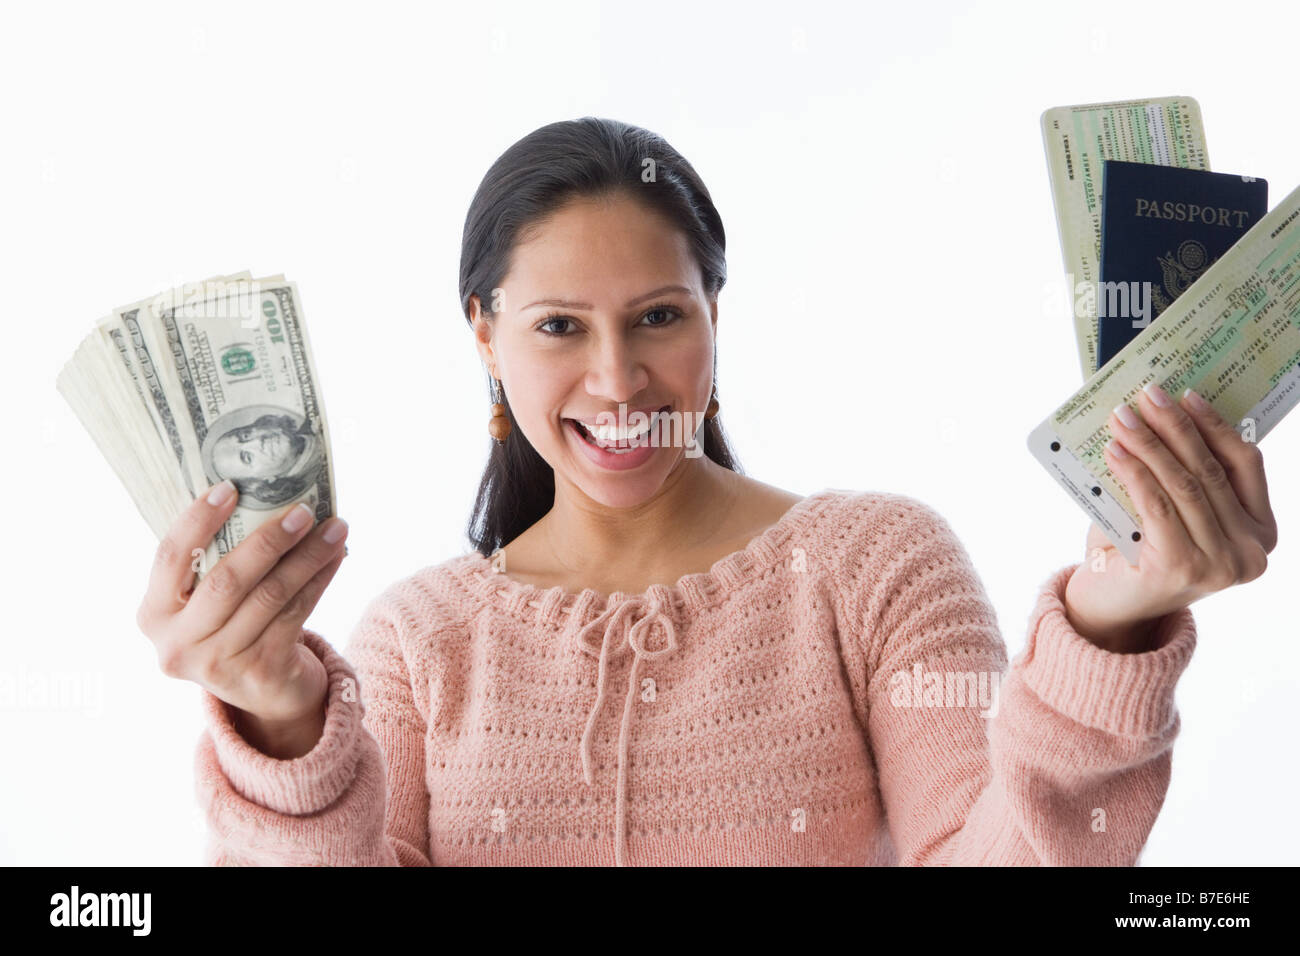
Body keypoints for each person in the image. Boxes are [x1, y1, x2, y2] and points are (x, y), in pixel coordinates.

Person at [137, 118, 1278, 866]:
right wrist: (282, 723)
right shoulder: (417, 638)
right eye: (557, 327)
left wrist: (1106, 629)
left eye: (658, 316)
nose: (619, 379)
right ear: (483, 335)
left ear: (714, 317)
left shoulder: (874, 564)